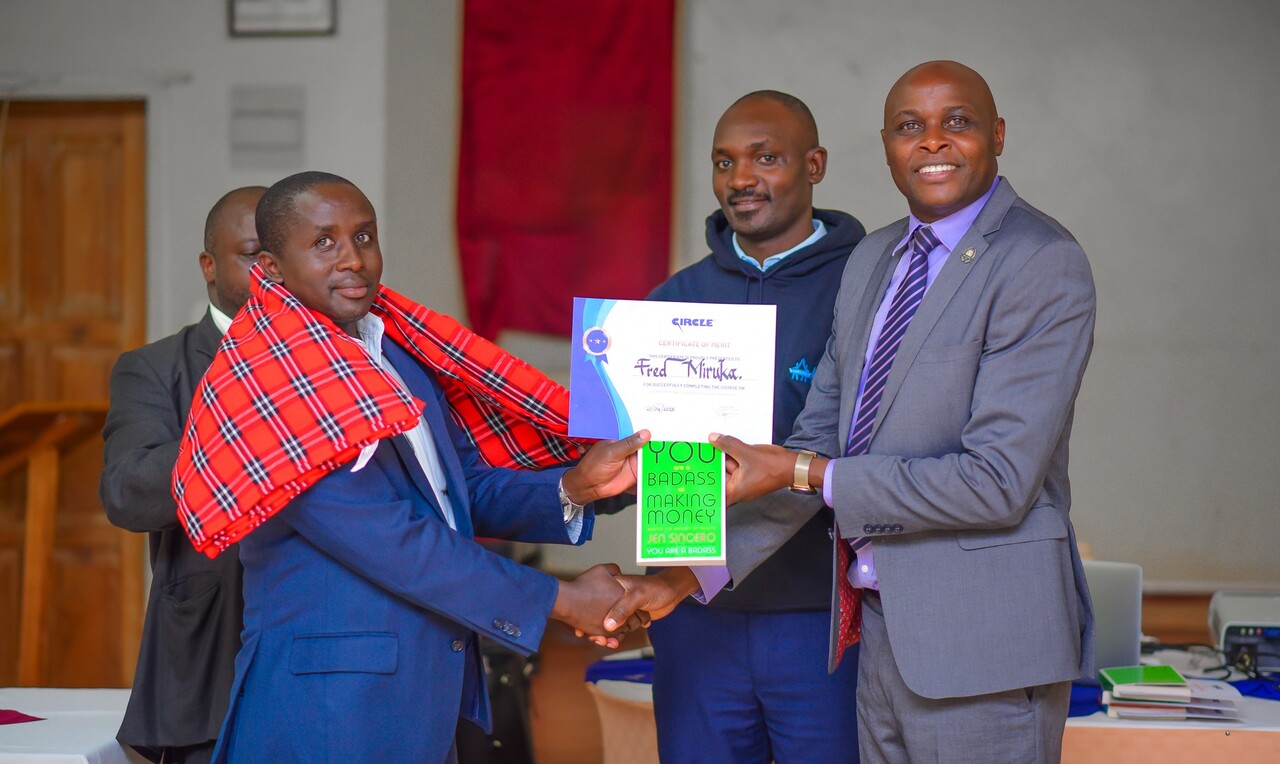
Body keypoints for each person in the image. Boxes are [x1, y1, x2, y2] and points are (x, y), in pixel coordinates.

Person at [610, 61, 1097, 763]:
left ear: (996, 134)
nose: (931, 142)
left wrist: (805, 472)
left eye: (955, 121)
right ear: (887, 147)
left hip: (979, 644)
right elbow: (814, 442)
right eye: (909, 127)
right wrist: (688, 575)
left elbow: (996, 478)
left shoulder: (1039, 260)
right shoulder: (874, 261)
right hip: (876, 638)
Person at [170, 171, 646, 763]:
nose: (352, 259)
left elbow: (457, 490)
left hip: (420, 697)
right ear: (270, 267)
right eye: (324, 243)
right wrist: (565, 598)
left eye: (363, 236)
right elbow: (397, 540)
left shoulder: (392, 353)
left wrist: (572, 487)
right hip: (329, 712)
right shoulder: (274, 384)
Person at [641, 90, 866, 763]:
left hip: (821, 614)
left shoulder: (867, 288)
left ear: (814, 164)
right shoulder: (670, 303)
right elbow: (635, 461)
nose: (741, 179)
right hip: (694, 615)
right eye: (724, 162)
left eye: (765, 158)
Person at [100, 185, 266, 764]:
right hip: (209, 662)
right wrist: (258, 414)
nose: (269, 273)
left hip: (329, 662)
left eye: (281, 257)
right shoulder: (153, 368)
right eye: (252, 255)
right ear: (209, 265)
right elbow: (127, 491)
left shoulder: (353, 360)